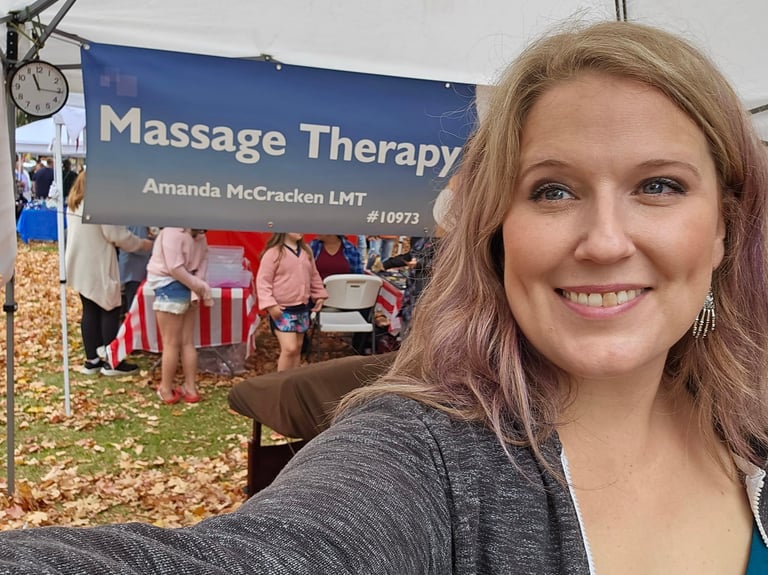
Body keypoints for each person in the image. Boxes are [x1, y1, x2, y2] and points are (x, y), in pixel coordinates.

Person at [2, 20, 768, 574]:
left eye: (658, 185)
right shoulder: (426, 457)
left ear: (724, 230)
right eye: (553, 190)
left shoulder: (754, 430)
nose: (603, 241)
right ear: (497, 232)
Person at [65, 171, 154, 376]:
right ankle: (113, 361)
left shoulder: (75, 204)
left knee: (90, 310)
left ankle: (92, 360)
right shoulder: (100, 206)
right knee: (110, 308)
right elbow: (117, 235)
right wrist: (144, 244)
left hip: (80, 263)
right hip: (98, 262)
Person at [145, 227, 213, 404]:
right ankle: (190, 388)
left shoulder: (171, 232)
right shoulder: (201, 235)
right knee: (187, 341)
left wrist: (195, 284)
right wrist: (198, 284)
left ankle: (166, 389)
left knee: (170, 343)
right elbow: (204, 260)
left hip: (168, 287)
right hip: (191, 287)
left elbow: (174, 268)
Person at [256, 232, 327, 371]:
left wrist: (319, 295)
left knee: (298, 347)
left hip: (302, 307)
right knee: (289, 348)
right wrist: (270, 304)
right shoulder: (273, 253)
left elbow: (314, 275)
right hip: (282, 309)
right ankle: (281, 381)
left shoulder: (306, 251)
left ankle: (293, 379)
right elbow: (263, 281)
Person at [118, 225, 153, 317]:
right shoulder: (137, 224)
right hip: (134, 272)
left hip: (133, 271)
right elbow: (140, 247)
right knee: (134, 309)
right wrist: (156, 245)